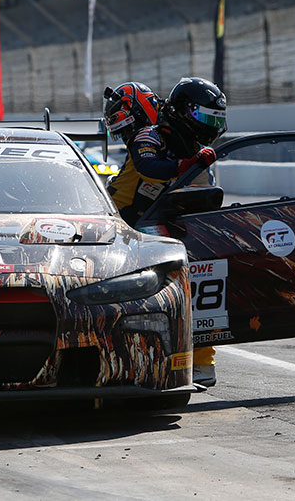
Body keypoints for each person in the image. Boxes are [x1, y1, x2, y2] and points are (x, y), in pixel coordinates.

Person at [106, 77, 226, 387]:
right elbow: (150, 168)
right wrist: (187, 163)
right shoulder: (150, 136)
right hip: (120, 225)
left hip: (159, 229)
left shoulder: (197, 151)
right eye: (205, 117)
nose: (210, 125)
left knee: (194, 290)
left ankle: (200, 363)